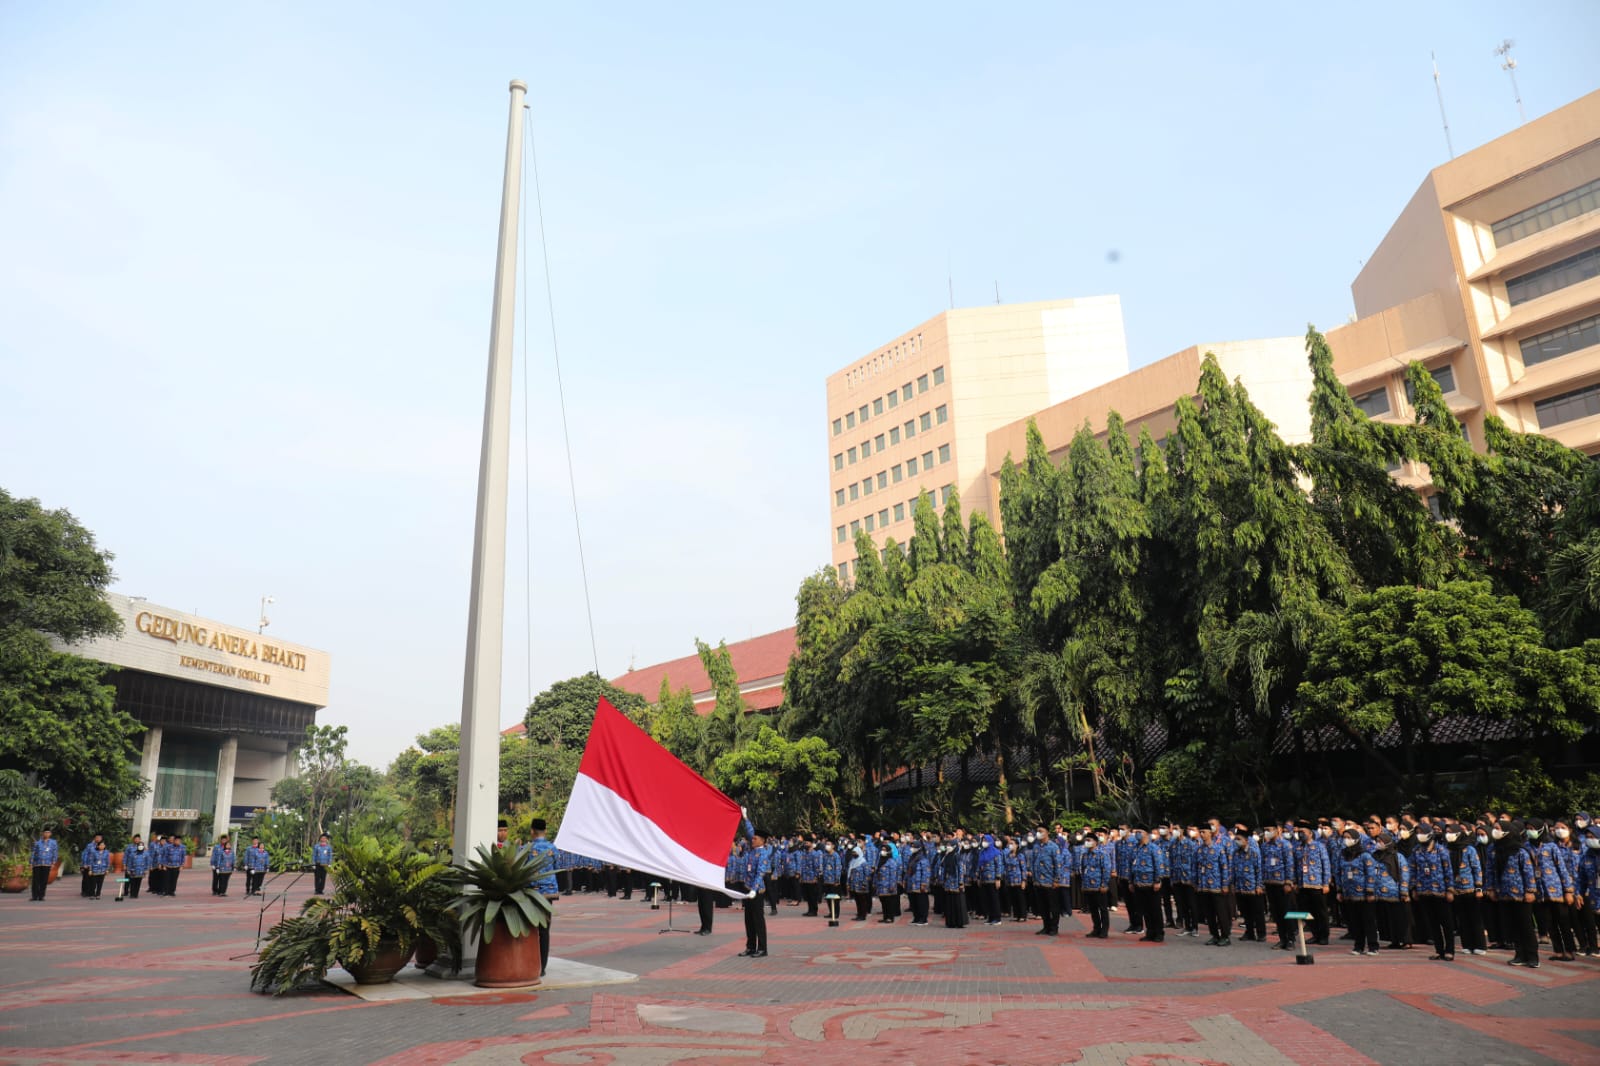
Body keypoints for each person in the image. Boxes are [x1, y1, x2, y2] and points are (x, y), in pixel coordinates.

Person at [1527, 817, 1577, 962]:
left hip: (1556, 891)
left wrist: (1568, 890)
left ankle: (1569, 950)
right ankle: (1558, 951)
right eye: (1528, 829)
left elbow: (1562, 869)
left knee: (1563, 922)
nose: (1530, 832)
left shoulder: (1551, 846)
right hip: (1540, 892)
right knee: (1549, 923)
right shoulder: (1526, 847)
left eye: (1533, 828)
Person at [1490, 818, 1538, 967]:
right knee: (1513, 926)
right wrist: (1491, 888)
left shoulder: (1520, 851)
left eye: (1498, 828)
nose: (1495, 831)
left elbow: (1528, 872)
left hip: (1521, 894)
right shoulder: (1494, 850)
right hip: (1504, 894)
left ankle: (1532, 957)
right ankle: (1519, 954)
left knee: (1525, 925)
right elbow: (1490, 871)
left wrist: (1530, 891)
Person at [1409, 822, 1454, 960]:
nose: (1419, 836)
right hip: (1423, 890)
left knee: (1445, 922)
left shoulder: (1441, 850)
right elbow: (1412, 870)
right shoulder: (1416, 851)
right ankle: (1439, 950)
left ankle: (1449, 950)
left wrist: (1450, 889)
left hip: (1440, 890)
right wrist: (1414, 888)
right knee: (1432, 922)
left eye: (1422, 832)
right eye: (1417, 833)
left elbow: (1448, 870)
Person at [526, 818, 559, 976]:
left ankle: (530, 963)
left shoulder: (526, 848)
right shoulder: (553, 848)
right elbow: (557, 868)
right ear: (545, 831)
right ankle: (543, 967)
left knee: (531, 928)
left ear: (532, 831)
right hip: (549, 894)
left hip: (532, 893)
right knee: (544, 930)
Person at [1195, 826, 1233, 947]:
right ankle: (1214, 935)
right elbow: (1195, 867)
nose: (1202, 834)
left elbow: (1224, 868)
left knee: (1221, 912)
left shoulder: (1218, 849)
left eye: (1204, 832)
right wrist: (1196, 883)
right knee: (1209, 913)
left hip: (1217, 886)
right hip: (1204, 886)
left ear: (1210, 833)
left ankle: (1225, 936)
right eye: (1200, 832)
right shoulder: (1199, 850)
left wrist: (1225, 884)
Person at [1294, 827, 1332, 946]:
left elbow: (1326, 864)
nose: (1301, 834)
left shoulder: (1319, 846)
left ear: (1311, 833)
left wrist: (1326, 883)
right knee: (1307, 911)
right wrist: (1295, 882)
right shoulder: (1298, 847)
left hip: (1317, 884)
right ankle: (1315, 934)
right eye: (1299, 832)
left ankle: (1324, 936)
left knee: (1320, 911)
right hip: (1303, 884)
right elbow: (1295, 866)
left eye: (1303, 832)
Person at [1128, 829, 1167, 943]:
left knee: (1155, 909)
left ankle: (1159, 933)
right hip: (1138, 883)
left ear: (1146, 833)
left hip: (1151, 883)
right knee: (1144, 910)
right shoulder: (1134, 848)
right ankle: (1150, 932)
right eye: (1136, 832)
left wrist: (1157, 880)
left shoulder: (1153, 848)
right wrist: (1130, 881)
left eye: (1140, 831)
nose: (1137, 834)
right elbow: (1131, 866)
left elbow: (1159, 865)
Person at [739, 825, 770, 958]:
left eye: (755, 838)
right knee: (749, 920)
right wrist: (746, 820)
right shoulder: (752, 850)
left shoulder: (763, 853)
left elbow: (760, 873)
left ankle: (762, 948)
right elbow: (750, 831)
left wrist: (754, 889)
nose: (752, 840)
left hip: (756, 891)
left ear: (762, 841)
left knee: (758, 920)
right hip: (747, 889)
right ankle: (750, 947)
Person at [1230, 828, 1266, 943]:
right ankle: (1249, 932)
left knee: (1257, 912)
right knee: (1245, 912)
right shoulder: (1235, 853)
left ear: (1246, 840)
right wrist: (1233, 884)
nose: (1237, 841)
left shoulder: (1254, 852)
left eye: (1239, 839)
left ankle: (1261, 933)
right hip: (1240, 887)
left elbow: (1259, 870)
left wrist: (1259, 885)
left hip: (1253, 887)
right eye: (1236, 839)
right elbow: (1233, 870)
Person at [1079, 832, 1114, 938]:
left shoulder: (1102, 854)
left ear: (1095, 842)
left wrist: (1104, 884)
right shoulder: (1085, 854)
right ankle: (1096, 928)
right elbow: (1083, 869)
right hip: (1088, 886)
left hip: (1099, 885)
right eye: (1086, 840)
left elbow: (1106, 869)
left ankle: (1104, 930)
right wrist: (1083, 884)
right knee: (1093, 909)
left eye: (1089, 840)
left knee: (1103, 909)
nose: (1087, 842)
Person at [1029, 827, 1061, 937]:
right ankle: (1046, 926)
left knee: (1053, 906)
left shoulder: (1053, 846)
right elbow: (1033, 862)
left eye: (1041, 831)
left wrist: (1056, 879)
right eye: (1037, 831)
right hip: (1038, 881)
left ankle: (1054, 928)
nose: (1038, 833)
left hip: (1050, 881)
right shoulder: (1036, 846)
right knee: (1043, 907)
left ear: (1047, 832)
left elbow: (1058, 864)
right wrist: (1033, 877)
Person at [29, 828, 58, 901]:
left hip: (47, 864)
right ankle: (34, 896)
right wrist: (31, 863)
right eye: (45, 833)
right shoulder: (37, 843)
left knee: (44, 880)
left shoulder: (53, 843)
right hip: (37, 864)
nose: (47, 834)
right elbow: (33, 853)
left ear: (50, 834)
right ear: (43, 833)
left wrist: (53, 862)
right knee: (35, 881)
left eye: (48, 833)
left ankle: (41, 896)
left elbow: (55, 852)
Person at [123, 835, 150, 899]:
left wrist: (146, 869)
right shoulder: (129, 848)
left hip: (140, 870)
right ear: (133, 839)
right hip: (131, 867)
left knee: (137, 882)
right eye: (136, 839)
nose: (137, 840)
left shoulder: (145, 852)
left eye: (138, 839)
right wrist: (125, 865)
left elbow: (147, 861)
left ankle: (135, 893)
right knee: (128, 880)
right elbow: (126, 857)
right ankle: (126, 891)